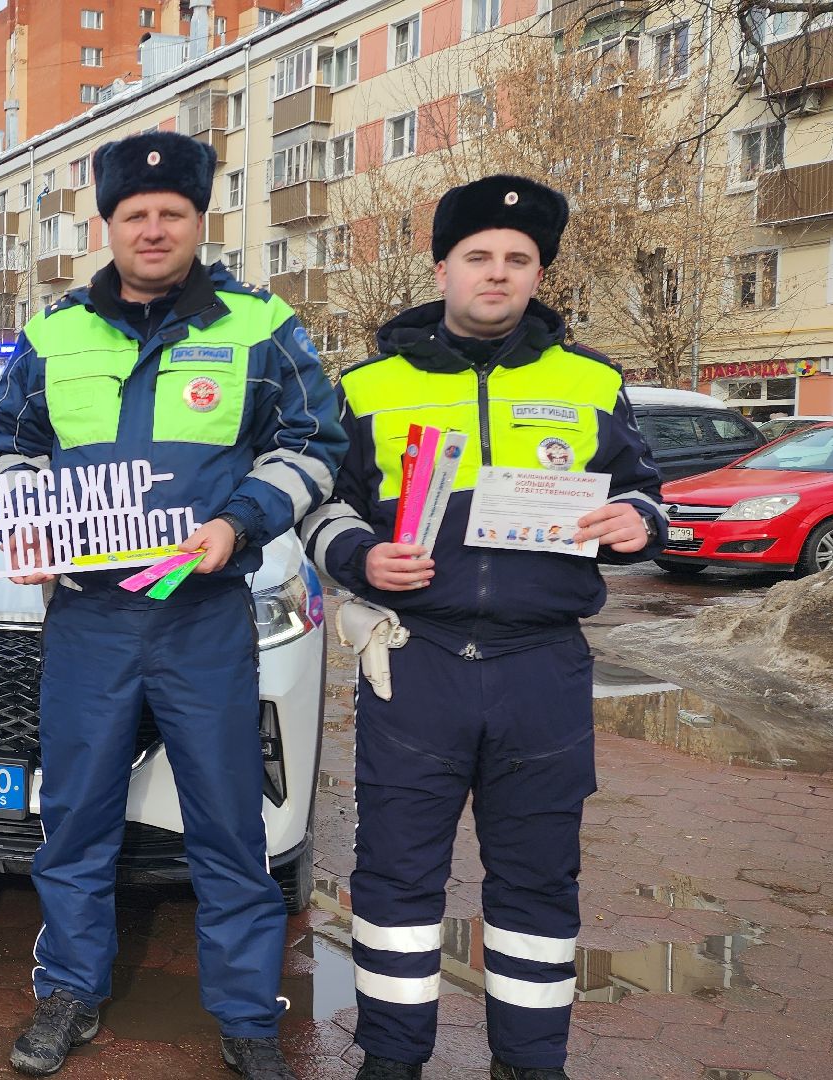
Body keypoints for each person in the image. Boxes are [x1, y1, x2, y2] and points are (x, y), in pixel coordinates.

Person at [0, 130, 345, 1080]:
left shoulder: (257, 326)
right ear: (108, 224)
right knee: (76, 813)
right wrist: (25, 515)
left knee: (227, 819)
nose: (151, 228)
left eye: (170, 213)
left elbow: (312, 443)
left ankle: (247, 1011)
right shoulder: (55, 334)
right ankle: (68, 989)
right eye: (133, 214)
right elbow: (6, 441)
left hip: (202, 613)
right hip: (90, 617)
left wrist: (238, 526)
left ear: (197, 220)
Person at [298, 176, 664, 1080]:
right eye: (479, 257)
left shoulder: (591, 381)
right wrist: (360, 560)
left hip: (541, 667)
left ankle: (531, 1063)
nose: (497, 274)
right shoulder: (369, 387)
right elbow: (320, 508)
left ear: (539, 274)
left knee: (539, 879)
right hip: (414, 664)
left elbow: (644, 490)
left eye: (518, 260)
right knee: (395, 880)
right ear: (444, 267)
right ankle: (392, 1058)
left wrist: (639, 523)